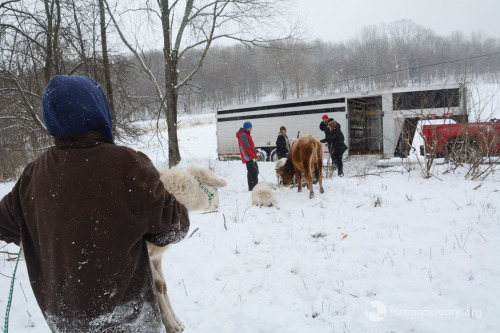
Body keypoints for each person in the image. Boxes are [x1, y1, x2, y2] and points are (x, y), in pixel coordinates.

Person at [0, 75, 190, 332]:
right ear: (97, 110)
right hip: (128, 321)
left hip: (65, 322)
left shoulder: (33, 174)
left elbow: (5, 224)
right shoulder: (127, 164)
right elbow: (174, 227)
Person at [236, 121, 259, 191]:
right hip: (248, 157)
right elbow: (246, 147)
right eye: (250, 127)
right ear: (247, 127)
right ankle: (252, 188)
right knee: (252, 172)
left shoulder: (247, 134)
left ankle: (255, 187)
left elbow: (251, 147)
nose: (251, 128)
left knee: (255, 171)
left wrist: (254, 156)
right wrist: (252, 156)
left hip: (251, 157)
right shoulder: (243, 135)